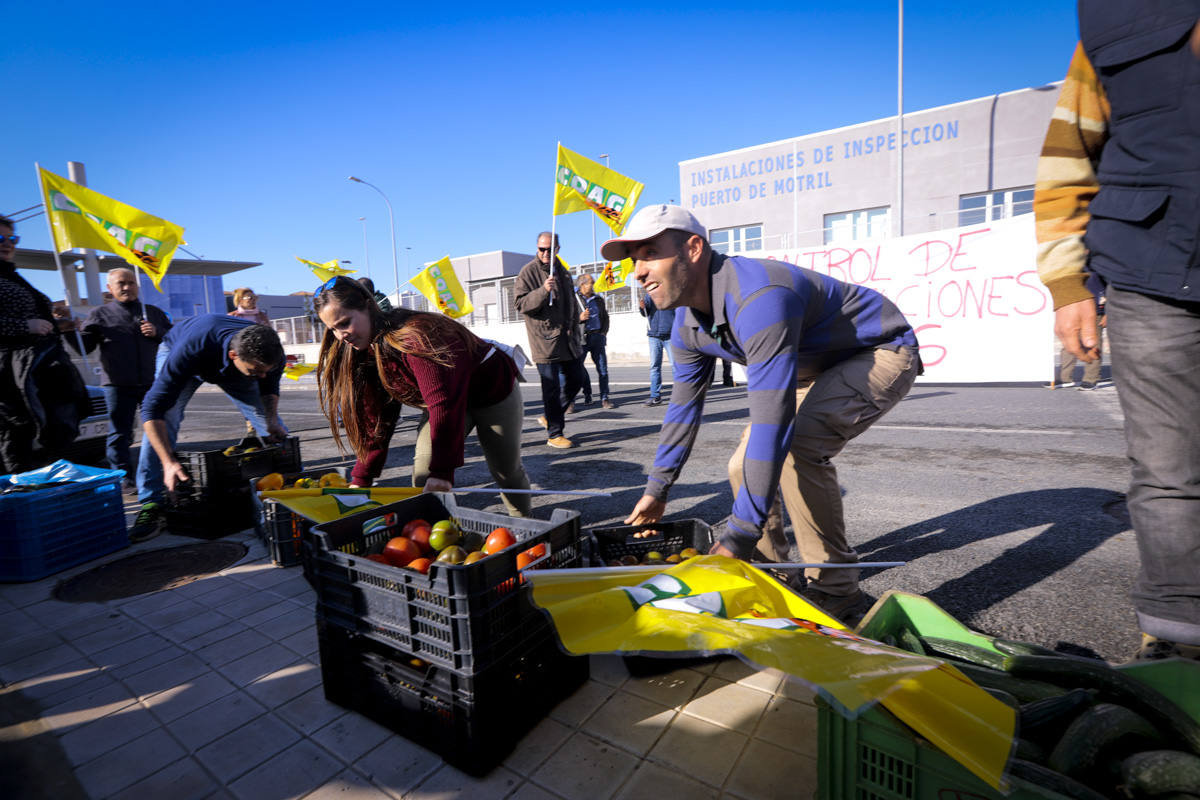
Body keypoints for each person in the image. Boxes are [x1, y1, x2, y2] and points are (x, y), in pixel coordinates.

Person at [611, 204, 920, 620]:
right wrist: (657, 489)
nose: (638, 272)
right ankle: (772, 573)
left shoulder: (760, 298)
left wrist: (738, 533)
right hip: (810, 365)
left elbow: (773, 425)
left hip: (877, 350)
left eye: (650, 254)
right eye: (634, 260)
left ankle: (837, 589)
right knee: (742, 465)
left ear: (694, 249)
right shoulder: (685, 324)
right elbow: (683, 410)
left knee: (797, 447)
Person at [1033, 6, 1200, 661]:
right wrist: (1067, 284)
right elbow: (1065, 164)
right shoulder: (1116, 21)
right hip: (1149, 274)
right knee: (1167, 470)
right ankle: (1179, 642)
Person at [313, 276, 531, 516]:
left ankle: (525, 526)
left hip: (491, 393)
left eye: (344, 323)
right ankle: (436, 530)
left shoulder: (416, 337)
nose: (340, 336)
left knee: (505, 470)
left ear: (368, 305)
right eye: (332, 329)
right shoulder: (364, 352)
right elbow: (378, 418)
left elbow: (443, 405)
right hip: (447, 399)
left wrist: (443, 472)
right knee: (423, 474)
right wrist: (362, 478)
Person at [130, 315, 288, 542]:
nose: (262, 376)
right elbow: (151, 409)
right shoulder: (189, 350)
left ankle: (288, 489)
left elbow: (269, 387)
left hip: (234, 366)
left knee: (270, 424)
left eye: (266, 370)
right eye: (257, 371)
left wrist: (271, 421)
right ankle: (152, 503)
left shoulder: (271, 350)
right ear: (233, 355)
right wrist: (168, 462)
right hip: (183, 352)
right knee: (167, 416)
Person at [65, 268, 171, 490]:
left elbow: (174, 339)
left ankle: (164, 470)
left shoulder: (153, 312)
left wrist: (158, 332)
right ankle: (123, 477)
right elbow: (84, 347)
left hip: (152, 382)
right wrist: (68, 331)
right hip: (117, 384)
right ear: (109, 288)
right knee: (119, 433)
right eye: (121, 283)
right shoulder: (99, 314)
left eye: (131, 283)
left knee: (160, 427)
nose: (126, 287)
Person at [0, 215, 89, 475]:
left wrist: (61, 325)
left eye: (12, 238)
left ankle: (36, 485)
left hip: (36, 365)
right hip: (8, 370)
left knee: (48, 430)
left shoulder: (12, 276)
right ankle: (17, 490)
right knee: (15, 431)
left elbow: (35, 320)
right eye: (0, 238)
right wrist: (24, 326)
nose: (7, 244)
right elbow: (24, 324)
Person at [514, 232, 587, 449]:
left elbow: (570, 303)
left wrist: (575, 325)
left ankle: (550, 416)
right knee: (551, 388)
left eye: (549, 249)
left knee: (578, 378)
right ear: (537, 248)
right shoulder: (528, 272)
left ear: (557, 249)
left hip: (567, 340)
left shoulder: (563, 272)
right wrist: (543, 291)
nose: (545, 253)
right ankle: (555, 434)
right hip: (544, 340)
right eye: (541, 249)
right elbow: (520, 304)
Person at [576, 273, 616, 410]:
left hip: (597, 338)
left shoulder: (598, 299)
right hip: (581, 339)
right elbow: (566, 319)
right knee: (576, 370)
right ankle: (579, 397)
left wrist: (603, 333)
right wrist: (579, 318)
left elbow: (606, 317)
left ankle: (605, 398)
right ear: (582, 285)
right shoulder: (573, 299)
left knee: (603, 370)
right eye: (591, 283)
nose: (593, 285)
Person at [1058, 292, 1105, 390]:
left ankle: (1090, 379)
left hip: (1095, 310)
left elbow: (1110, 288)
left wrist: (1107, 312)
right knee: (1069, 343)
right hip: (1073, 309)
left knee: (1092, 344)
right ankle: (1065, 378)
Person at [638, 290, 675, 406]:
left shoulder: (671, 292)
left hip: (671, 335)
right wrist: (642, 307)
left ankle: (681, 396)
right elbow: (645, 313)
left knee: (676, 366)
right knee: (654, 367)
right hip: (654, 335)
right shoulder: (650, 295)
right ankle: (655, 396)